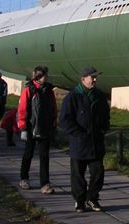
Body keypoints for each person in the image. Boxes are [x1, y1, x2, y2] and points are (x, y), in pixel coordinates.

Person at [60, 66, 110, 213]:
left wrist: (103, 129)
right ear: (83, 79)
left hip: (96, 142)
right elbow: (65, 119)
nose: (94, 80)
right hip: (79, 143)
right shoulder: (73, 97)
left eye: (95, 77)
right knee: (77, 175)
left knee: (98, 173)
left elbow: (105, 116)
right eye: (92, 77)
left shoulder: (99, 96)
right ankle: (79, 200)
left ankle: (92, 198)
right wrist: (78, 133)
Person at [17, 65, 57, 194]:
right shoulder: (29, 90)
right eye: (45, 75)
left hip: (45, 127)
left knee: (44, 156)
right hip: (31, 127)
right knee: (28, 153)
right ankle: (24, 178)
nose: (47, 77)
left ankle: (45, 184)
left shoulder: (49, 90)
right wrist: (22, 127)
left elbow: (53, 108)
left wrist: (54, 123)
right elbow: (22, 109)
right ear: (39, 76)